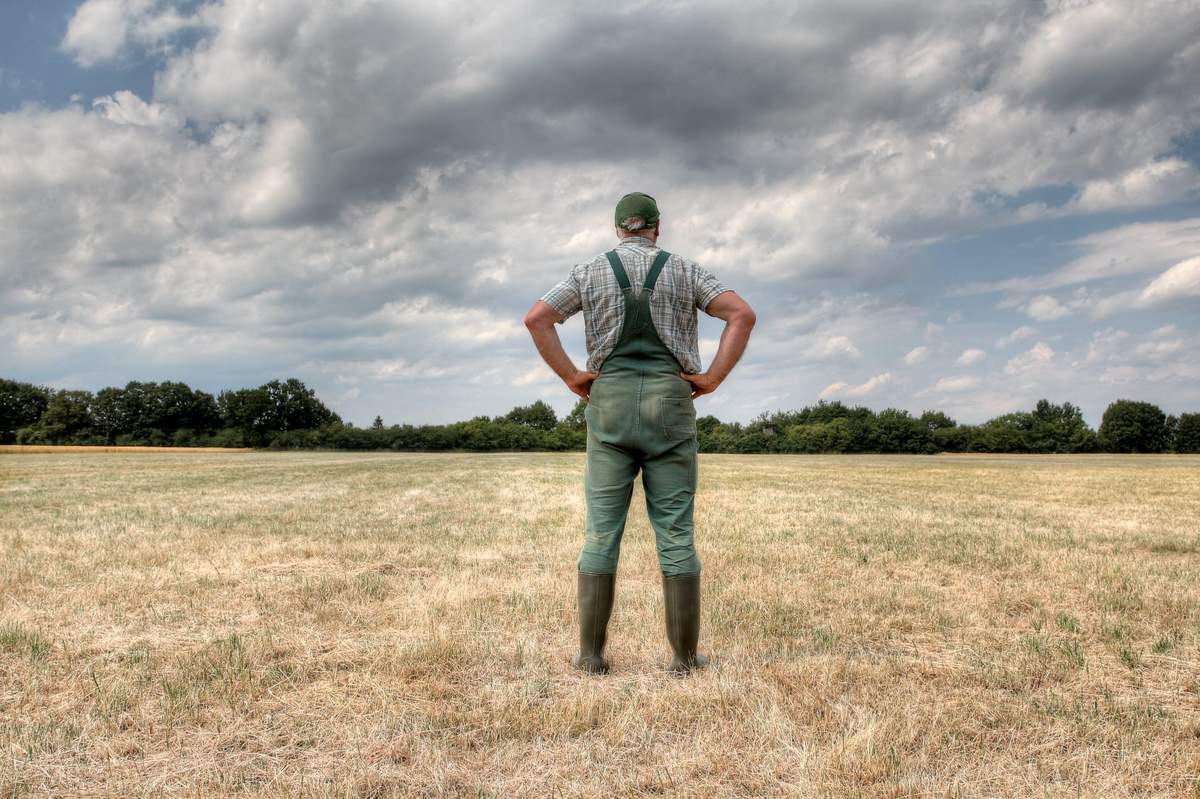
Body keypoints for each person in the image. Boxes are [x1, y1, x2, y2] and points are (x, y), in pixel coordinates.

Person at [524, 192, 756, 676]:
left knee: (601, 532)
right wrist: (712, 378)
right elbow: (741, 314)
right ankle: (684, 659)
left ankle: (591, 656)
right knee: (675, 531)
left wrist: (572, 376)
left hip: (609, 404)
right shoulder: (686, 270)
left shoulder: (589, 271)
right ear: (657, 228)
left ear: (618, 229)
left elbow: (537, 318)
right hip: (670, 405)